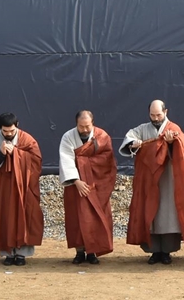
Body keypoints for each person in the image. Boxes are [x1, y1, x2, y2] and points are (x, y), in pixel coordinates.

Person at [119, 100, 184, 265]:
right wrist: (133, 144)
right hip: (148, 180)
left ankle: (166, 251)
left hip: (168, 180)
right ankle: (154, 252)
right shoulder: (142, 129)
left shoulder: (173, 129)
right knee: (149, 214)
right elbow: (129, 138)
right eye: (152, 115)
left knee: (168, 215)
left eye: (158, 115)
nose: (156, 118)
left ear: (166, 112)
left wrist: (171, 144)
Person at [0, 112, 43, 266]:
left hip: (24, 184)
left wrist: (16, 153)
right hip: (3, 185)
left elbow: (36, 161)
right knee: (4, 215)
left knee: (25, 215)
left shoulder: (27, 139)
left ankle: (22, 254)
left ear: (17, 126)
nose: (8, 134)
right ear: (0, 129)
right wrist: (1, 155)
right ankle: (7, 253)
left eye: (11, 131)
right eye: (5, 131)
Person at [59, 110, 117, 265]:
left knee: (94, 218)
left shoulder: (102, 136)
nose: (84, 130)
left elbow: (107, 160)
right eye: (81, 126)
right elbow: (66, 159)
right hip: (75, 186)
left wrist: (83, 161)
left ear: (93, 123)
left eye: (87, 126)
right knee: (76, 218)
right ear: (76, 124)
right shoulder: (68, 137)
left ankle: (93, 252)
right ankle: (79, 252)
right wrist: (76, 180)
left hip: (96, 185)